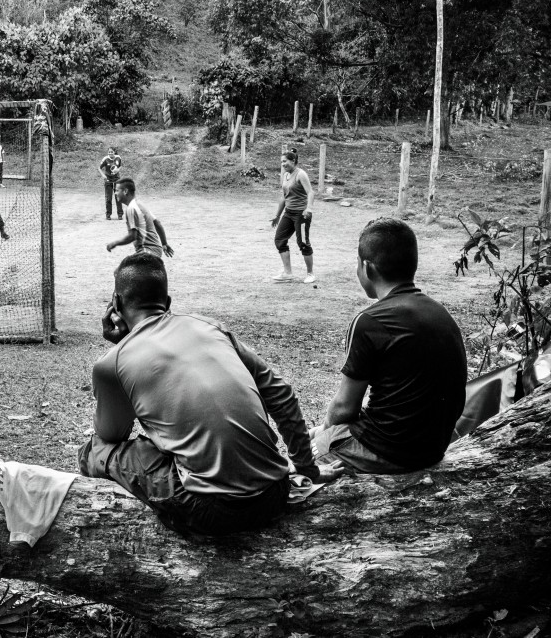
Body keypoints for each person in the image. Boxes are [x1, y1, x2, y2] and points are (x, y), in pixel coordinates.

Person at [78, 253, 341, 536]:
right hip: (274, 494)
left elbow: (110, 435)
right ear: (166, 303)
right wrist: (307, 468)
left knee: (95, 451)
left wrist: (121, 350)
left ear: (115, 303)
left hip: (211, 511)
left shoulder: (112, 363)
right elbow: (283, 396)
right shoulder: (210, 327)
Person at [312, 218, 467, 474]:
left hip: (390, 451)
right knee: (323, 435)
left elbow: (344, 408)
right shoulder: (440, 313)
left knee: (305, 460)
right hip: (432, 448)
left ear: (367, 267)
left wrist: (323, 434)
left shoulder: (370, 320)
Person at [271, 148, 316, 283]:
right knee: (279, 240)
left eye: (285, 161)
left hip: (301, 214)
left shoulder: (300, 174)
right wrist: (277, 215)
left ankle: (310, 274)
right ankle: (287, 273)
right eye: (281, 162)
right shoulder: (285, 176)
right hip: (288, 213)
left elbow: (310, 193)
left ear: (293, 160)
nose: (283, 164)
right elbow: (284, 197)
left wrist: (309, 208)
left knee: (302, 243)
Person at [105, 178, 174, 258]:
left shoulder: (131, 208)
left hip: (146, 251)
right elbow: (157, 223)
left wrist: (114, 243)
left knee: (124, 269)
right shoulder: (139, 204)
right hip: (156, 249)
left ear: (125, 191)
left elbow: (132, 236)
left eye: (117, 190)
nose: (115, 193)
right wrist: (164, 243)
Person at [99, 146, 124, 220]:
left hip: (117, 180)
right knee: (108, 198)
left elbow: (120, 166)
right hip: (108, 181)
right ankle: (108, 214)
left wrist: (117, 170)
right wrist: (103, 175)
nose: (110, 153)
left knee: (118, 197)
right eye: (109, 152)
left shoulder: (118, 158)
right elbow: (99, 168)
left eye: (111, 152)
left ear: (114, 152)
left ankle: (120, 214)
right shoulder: (105, 159)